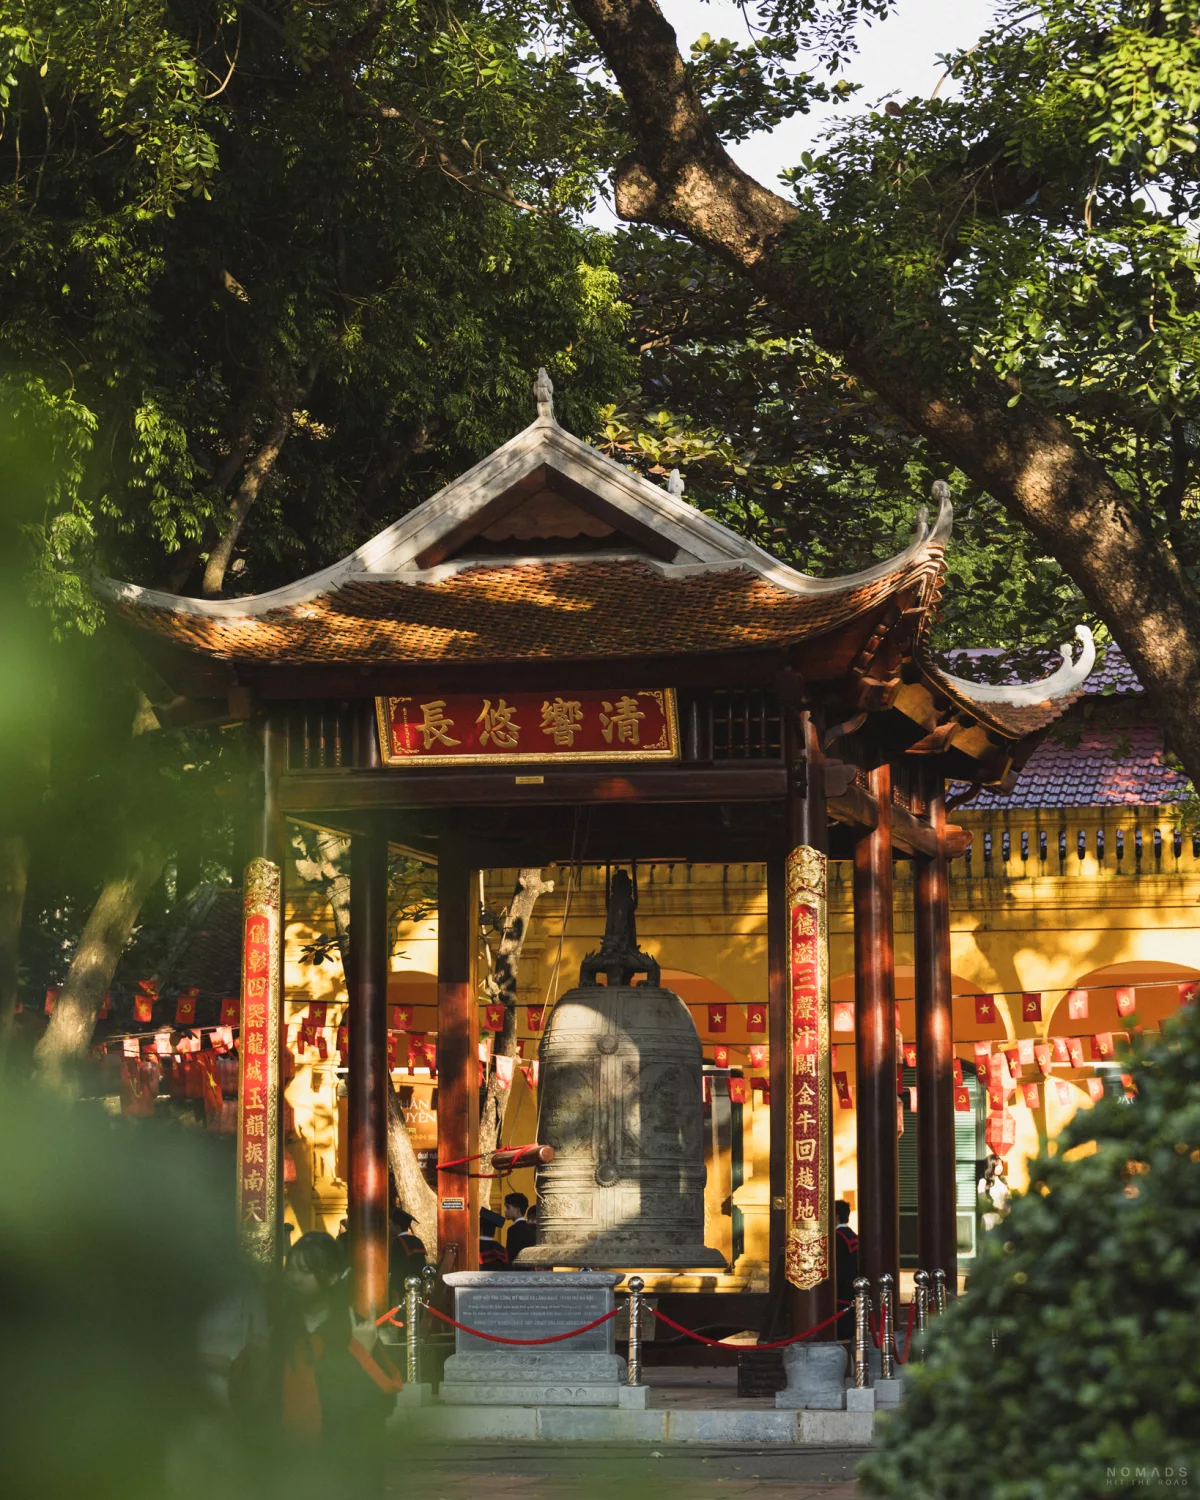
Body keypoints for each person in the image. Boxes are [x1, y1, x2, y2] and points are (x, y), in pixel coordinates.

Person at [833, 1200, 859, 1339]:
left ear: (836, 1216)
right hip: (853, 1288)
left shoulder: (837, 1237)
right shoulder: (852, 1235)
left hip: (841, 1291)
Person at [389, 1207, 426, 1302]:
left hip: (403, 1289)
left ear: (397, 1227)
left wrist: (394, 1289)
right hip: (419, 1288)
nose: (389, 1227)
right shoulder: (417, 1240)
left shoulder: (398, 1243)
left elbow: (396, 1268)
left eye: (390, 1224)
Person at [978, 1154, 1011, 1232]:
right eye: (997, 1165)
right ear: (991, 1166)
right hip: (990, 1218)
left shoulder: (1002, 1181)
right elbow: (982, 1201)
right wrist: (995, 1209)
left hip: (1003, 1218)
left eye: (1001, 1164)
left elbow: (1007, 1198)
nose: (1000, 1167)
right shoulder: (983, 1182)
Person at [502, 1192, 535, 1266]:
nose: (505, 1210)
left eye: (508, 1207)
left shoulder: (513, 1229)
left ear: (517, 1210)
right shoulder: (530, 1228)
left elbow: (510, 1255)